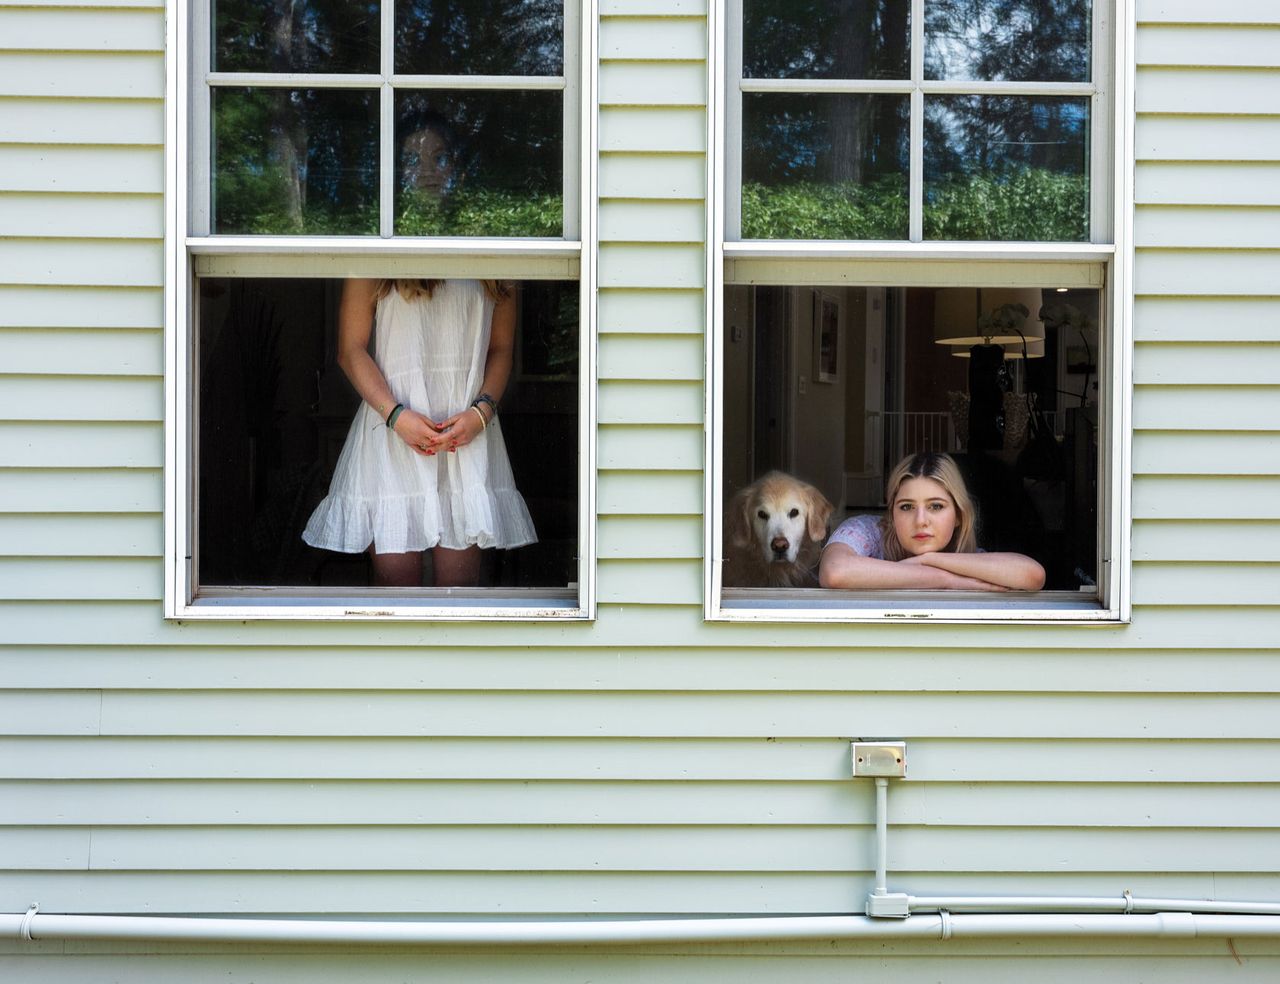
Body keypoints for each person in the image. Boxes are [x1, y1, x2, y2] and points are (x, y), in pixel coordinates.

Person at [303, 278, 536, 586]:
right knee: (396, 594)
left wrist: (481, 414)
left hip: (466, 439)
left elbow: (502, 348)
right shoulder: (381, 238)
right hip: (393, 433)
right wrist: (397, 416)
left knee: (458, 598)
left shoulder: (492, 245)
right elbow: (351, 349)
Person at [819, 452, 1045, 591]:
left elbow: (1033, 575)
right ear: (892, 513)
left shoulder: (967, 556)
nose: (921, 521)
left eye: (935, 506)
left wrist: (928, 559)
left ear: (958, 515)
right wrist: (944, 580)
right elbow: (835, 572)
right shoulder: (865, 531)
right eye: (906, 507)